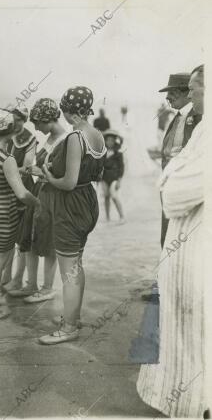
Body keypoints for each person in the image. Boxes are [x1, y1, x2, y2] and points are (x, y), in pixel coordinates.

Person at [137, 65, 207, 418]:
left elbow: (188, 166)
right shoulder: (181, 118)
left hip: (189, 205)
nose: (173, 99)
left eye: (176, 93)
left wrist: (170, 178)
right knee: (166, 244)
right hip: (175, 203)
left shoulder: (199, 121)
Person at [38, 86, 106, 345]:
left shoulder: (75, 137)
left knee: (68, 269)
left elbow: (67, 182)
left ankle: (68, 328)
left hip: (71, 203)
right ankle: (73, 318)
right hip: (88, 200)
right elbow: (94, 174)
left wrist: (47, 175)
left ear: (69, 111)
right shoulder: (97, 134)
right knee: (76, 263)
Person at [0, 108, 40, 320]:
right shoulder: (7, 159)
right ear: (8, 131)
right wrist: (38, 203)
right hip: (4, 213)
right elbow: (21, 193)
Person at [16, 98, 66, 303]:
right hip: (39, 191)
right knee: (30, 237)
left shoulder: (65, 140)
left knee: (48, 241)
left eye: (37, 122)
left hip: (52, 195)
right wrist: (33, 170)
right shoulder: (51, 138)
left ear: (47, 120)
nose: (35, 126)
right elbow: (45, 168)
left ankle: (47, 288)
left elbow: (64, 175)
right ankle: (31, 284)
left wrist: (39, 171)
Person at [159, 72, 202, 247]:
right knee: (168, 231)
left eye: (172, 92)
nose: (168, 97)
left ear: (186, 93)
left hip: (185, 186)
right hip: (171, 182)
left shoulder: (198, 117)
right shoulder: (178, 117)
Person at [0, 105, 37, 296]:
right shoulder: (4, 134)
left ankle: (17, 279)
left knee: (22, 239)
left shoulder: (30, 138)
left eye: (19, 120)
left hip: (22, 189)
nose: (15, 123)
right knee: (6, 236)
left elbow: (28, 166)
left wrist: (8, 171)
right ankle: (6, 276)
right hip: (7, 189)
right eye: (12, 119)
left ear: (25, 120)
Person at [101, 130, 125, 223]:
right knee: (106, 196)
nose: (109, 142)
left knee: (114, 195)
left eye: (111, 140)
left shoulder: (118, 154)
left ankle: (122, 216)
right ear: (105, 141)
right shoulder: (102, 153)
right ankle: (107, 217)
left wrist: (119, 180)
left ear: (115, 141)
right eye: (108, 140)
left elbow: (121, 168)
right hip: (104, 178)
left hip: (114, 177)